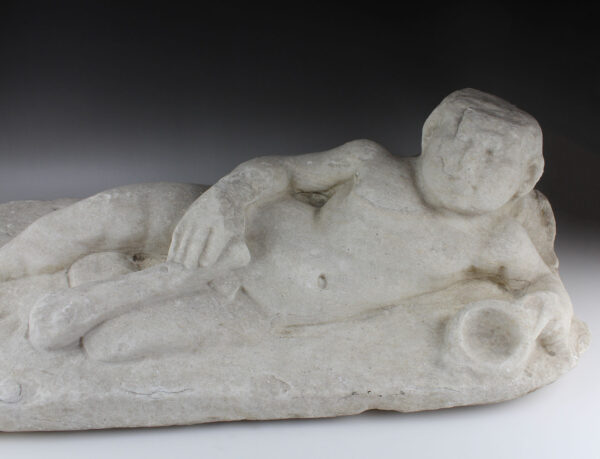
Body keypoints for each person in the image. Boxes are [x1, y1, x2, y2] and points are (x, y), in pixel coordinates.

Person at [0, 89, 574, 366]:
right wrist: (227, 198)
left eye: (491, 158)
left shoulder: (493, 239)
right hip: (238, 229)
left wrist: (533, 317)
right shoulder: (371, 162)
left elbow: (547, 289)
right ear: (430, 132)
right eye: (457, 141)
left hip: (261, 308)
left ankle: (108, 279)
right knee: (102, 217)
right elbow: (279, 171)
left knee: (112, 348)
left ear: (525, 178)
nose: (465, 166)